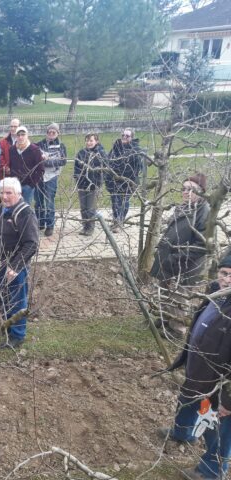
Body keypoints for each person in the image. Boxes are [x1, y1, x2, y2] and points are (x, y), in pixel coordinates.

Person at [158, 254, 231, 480]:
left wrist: (229, 401)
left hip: (220, 384)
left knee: (219, 427)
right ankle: (183, 433)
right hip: (198, 371)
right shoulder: (215, 293)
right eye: (224, 273)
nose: (227, 280)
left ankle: (212, 469)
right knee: (187, 401)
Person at [150, 173, 210, 336]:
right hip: (169, 260)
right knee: (165, 292)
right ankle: (166, 320)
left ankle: (177, 329)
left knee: (179, 297)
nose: (186, 192)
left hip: (185, 264)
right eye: (184, 189)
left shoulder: (204, 213)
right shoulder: (183, 206)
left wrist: (175, 258)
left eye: (191, 189)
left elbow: (202, 246)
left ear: (202, 192)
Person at [0, 177, 39, 349]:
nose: (5, 196)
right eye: (2, 193)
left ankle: (17, 336)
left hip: (15, 267)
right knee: (3, 299)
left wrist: (15, 267)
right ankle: (8, 328)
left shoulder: (25, 213)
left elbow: (31, 244)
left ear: (19, 193)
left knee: (17, 301)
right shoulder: (1, 208)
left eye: (9, 193)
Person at [106, 128, 145, 231]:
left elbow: (139, 167)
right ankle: (116, 221)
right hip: (115, 180)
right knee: (115, 202)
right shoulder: (116, 148)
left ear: (131, 137)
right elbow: (109, 161)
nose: (124, 137)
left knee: (124, 202)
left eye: (127, 136)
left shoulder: (135, 150)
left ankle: (120, 221)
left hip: (128, 181)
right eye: (123, 135)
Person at [35, 123, 67, 237]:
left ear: (58, 133)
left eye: (54, 132)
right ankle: (40, 222)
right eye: (49, 132)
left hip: (52, 177)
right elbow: (35, 158)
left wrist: (47, 162)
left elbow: (62, 161)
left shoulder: (61, 146)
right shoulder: (39, 144)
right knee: (38, 201)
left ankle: (50, 225)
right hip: (39, 177)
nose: (51, 134)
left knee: (49, 201)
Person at [73, 133, 107, 236]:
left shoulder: (100, 153)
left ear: (96, 141)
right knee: (83, 207)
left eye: (91, 140)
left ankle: (90, 227)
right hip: (82, 184)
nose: (89, 143)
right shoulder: (81, 153)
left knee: (90, 207)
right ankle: (85, 226)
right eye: (87, 140)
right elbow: (76, 167)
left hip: (93, 184)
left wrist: (98, 180)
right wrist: (77, 177)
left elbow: (104, 168)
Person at [6, 126, 44, 205]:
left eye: (23, 135)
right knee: (14, 206)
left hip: (28, 185)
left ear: (27, 135)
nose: (20, 137)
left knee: (25, 207)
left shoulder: (34, 149)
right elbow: (11, 165)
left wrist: (32, 184)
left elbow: (40, 169)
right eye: (18, 135)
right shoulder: (12, 149)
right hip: (15, 185)